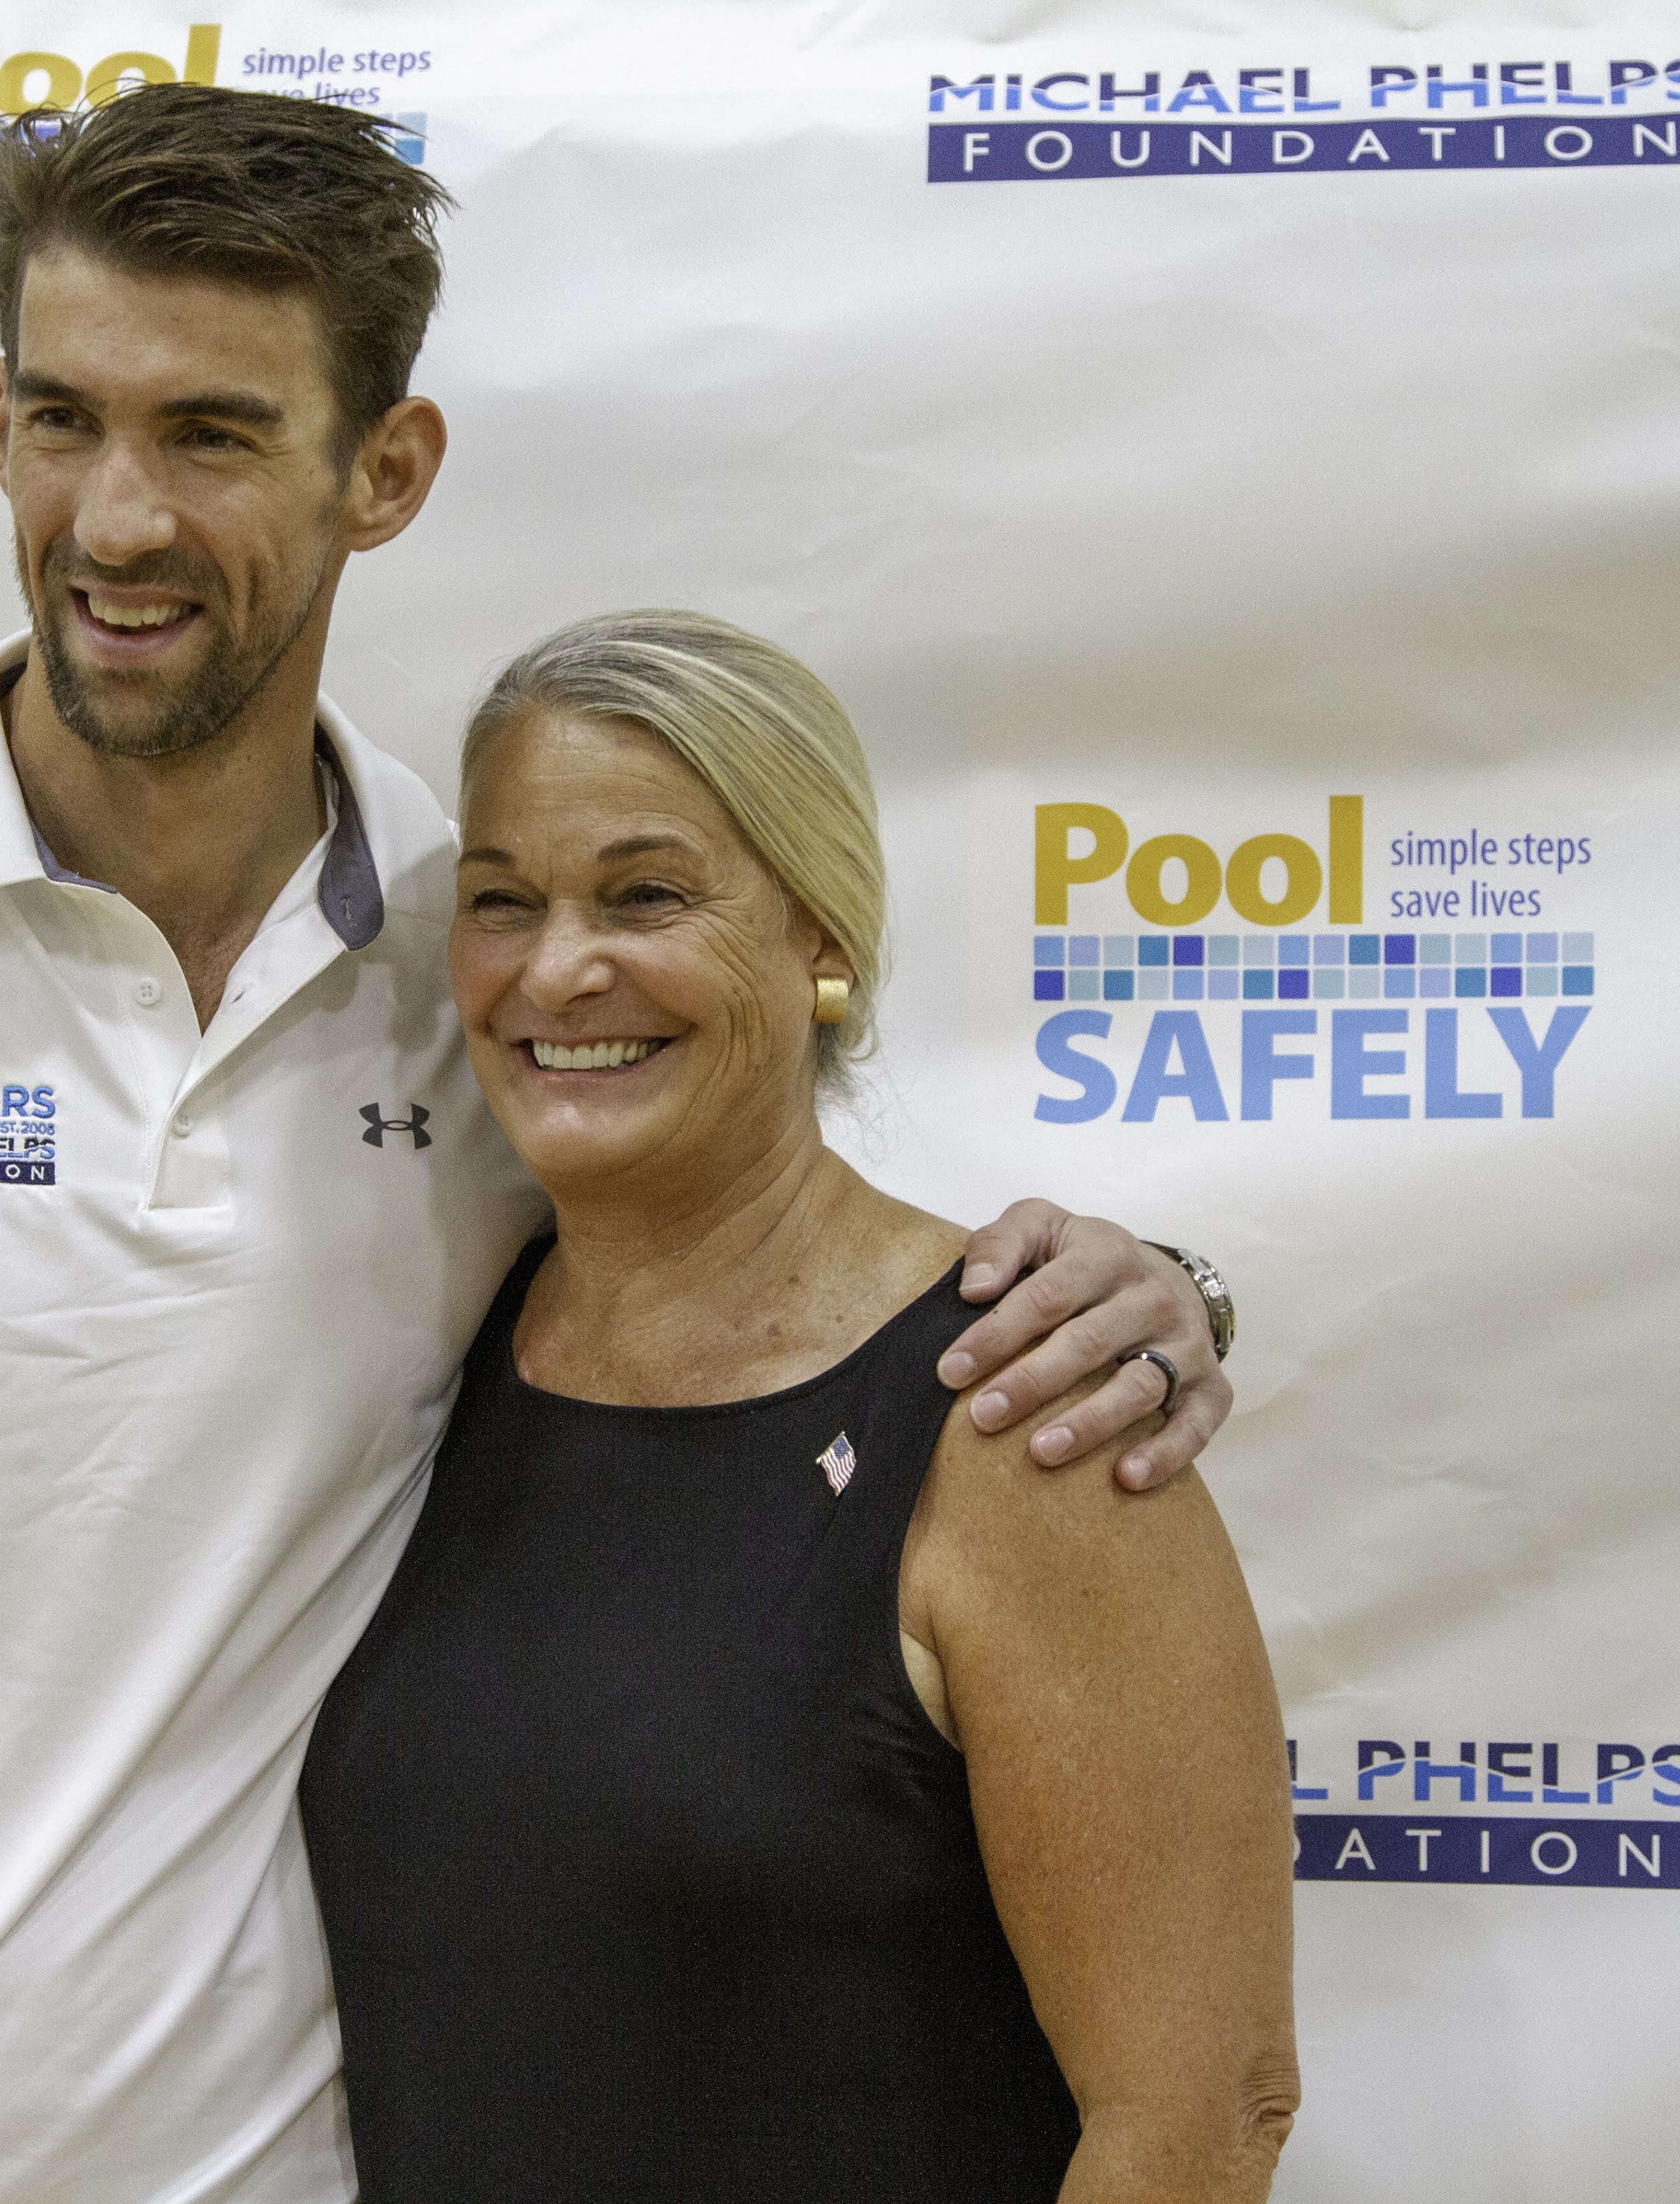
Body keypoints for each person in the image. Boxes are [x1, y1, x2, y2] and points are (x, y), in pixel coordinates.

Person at [0, 88, 1241, 2204]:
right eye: (56, 417)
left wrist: (1150, 1298)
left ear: (386, 469)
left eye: (209, 434)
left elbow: (791, 1297)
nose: (114, 520)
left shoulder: (496, 986)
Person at [300, 609, 1297, 2203]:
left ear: (821, 937)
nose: (559, 967)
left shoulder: (1023, 1411)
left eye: (646, 894)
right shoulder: (428, 1341)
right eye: (502, 901)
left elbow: (1198, 2116)